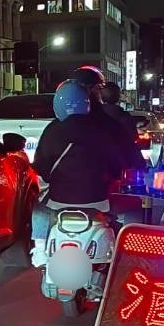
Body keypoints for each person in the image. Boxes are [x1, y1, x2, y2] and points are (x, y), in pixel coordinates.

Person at [30, 79, 127, 266]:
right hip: (98, 200)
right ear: (87, 104)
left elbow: (42, 167)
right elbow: (117, 166)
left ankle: (40, 250)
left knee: (38, 209)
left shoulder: (52, 130)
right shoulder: (101, 129)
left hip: (59, 200)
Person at [98, 82, 147, 172]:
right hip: (122, 162)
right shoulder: (125, 117)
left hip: (99, 163)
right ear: (118, 97)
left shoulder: (93, 116)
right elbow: (133, 138)